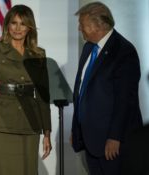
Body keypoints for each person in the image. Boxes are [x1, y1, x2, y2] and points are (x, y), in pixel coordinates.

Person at [0, 4, 52, 175]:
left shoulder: (38, 54)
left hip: (29, 120)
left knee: (27, 170)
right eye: (14, 23)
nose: (18, 28)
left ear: (30, 27)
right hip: (1, 120)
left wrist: (46, 132)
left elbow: (43, 95)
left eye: (23, 24)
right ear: (7, 26)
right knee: (0, 169)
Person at [71, 2, 143, 175]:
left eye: (83, 25)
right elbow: (82, 91)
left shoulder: (124, 51)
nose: (80, 29)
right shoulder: (88, 48)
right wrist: (76, 130)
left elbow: (125, 100)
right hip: (90, 140)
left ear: (99, 26)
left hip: (112, 144)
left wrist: (115, 137)